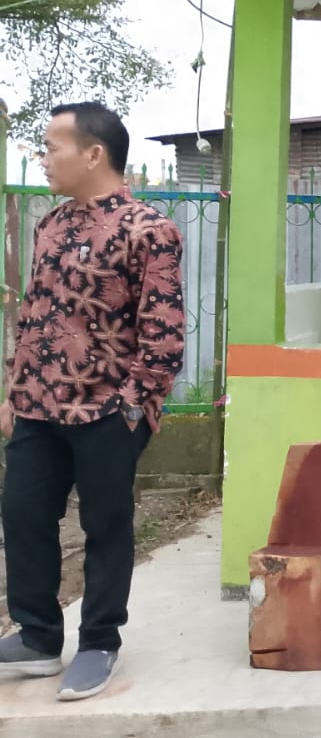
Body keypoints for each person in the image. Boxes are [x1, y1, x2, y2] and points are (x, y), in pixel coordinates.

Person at [0, 102, 185, 701]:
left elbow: (163, 333)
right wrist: (14, 389)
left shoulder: (149, 230)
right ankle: (37, 637)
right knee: (23, 514)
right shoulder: (50, 224)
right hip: (37, 406)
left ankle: (99, 641)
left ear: (93, 154)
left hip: (107, 410)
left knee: (106, 525)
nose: (43, 158)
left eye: (52, 147)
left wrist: (132, 407)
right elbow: (33, 314)